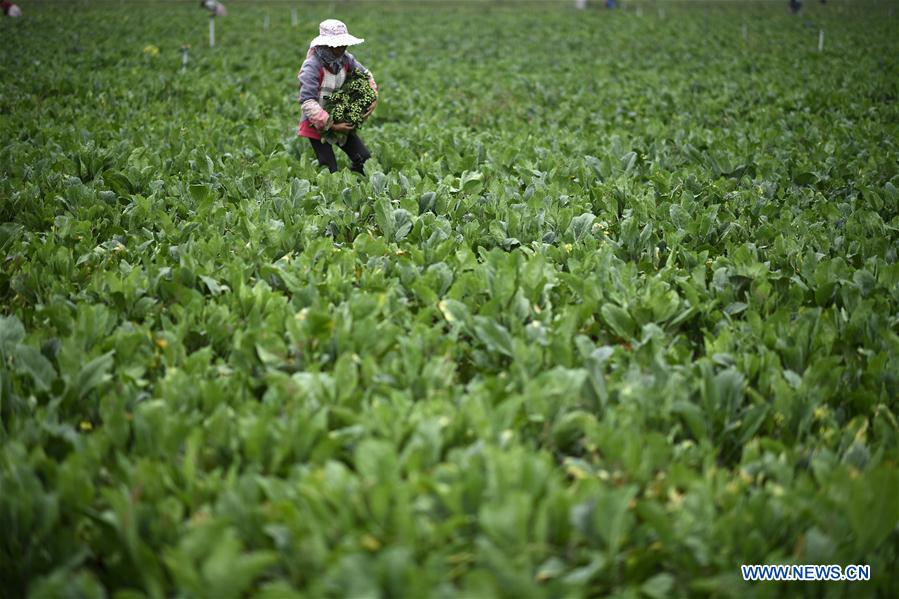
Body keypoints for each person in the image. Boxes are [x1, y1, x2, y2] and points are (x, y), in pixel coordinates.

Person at [297, 19, 378, 174]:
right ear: (327, 45)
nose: (343, 47)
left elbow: (366, 76)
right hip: (316, 124)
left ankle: (356, 186)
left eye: (344, 43)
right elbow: (307, 101)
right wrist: (331, 124)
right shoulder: (312, 66)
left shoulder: (346, 59)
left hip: (341, 118)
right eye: (338, 45)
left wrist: (373, 97)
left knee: (364, 159)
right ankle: (325, 194)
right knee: (329, 169)